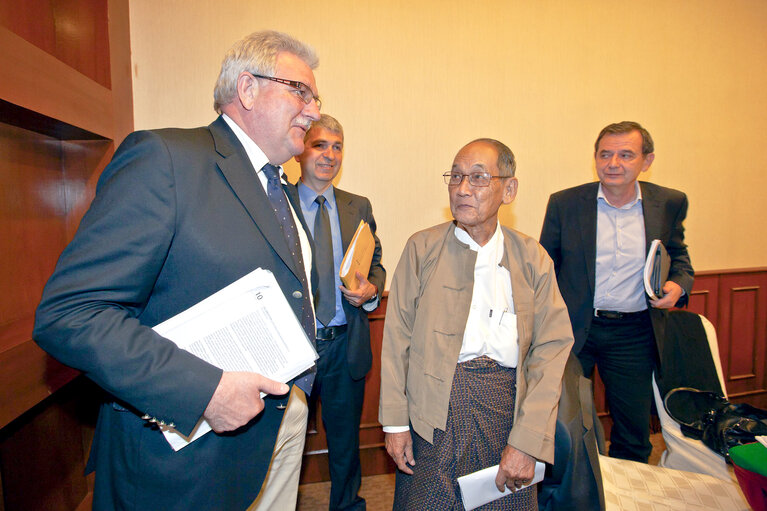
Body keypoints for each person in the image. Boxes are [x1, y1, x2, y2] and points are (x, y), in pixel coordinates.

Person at [33, 30, 322, 510]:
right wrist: (205, 390)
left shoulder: (282, 190)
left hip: (278, 427)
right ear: (247, 89)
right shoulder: (165, 160)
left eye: (316, 97)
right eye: (301, 91)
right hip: (186, 460)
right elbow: (71, 313)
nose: (313, 110)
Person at [379, 139, 573, 510]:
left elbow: (551, 353)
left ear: (509, 189)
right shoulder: (422, 249)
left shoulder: (532, 258)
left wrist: (528, 441)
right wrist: (394, 424)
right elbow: (396, 340)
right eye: (456, 177)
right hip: (432, 411)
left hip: (505, 410)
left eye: (478, 177)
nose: (463, 188)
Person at [539, 121, 694, 463]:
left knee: (633, 431)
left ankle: (629, 495)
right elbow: (544, 266)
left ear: (647, 160)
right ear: (595, 157)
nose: (613, 164)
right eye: (605, 154)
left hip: (634, 332)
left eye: (626, 155)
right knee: (563, 424)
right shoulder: (566, 204)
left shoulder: (668, 203)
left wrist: (678, 285)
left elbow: (678, 256)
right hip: (575, 328)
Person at [295, 114, 386, 511]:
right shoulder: (275, 203)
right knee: (284, 442)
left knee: (345, 443)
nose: (329, 155)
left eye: (337, 147)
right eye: (320, 145)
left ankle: (348, 506)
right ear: (300, 148)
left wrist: (371, 289)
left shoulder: (357, 206)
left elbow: (376, 261)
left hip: (344, 342)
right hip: (293, 349)